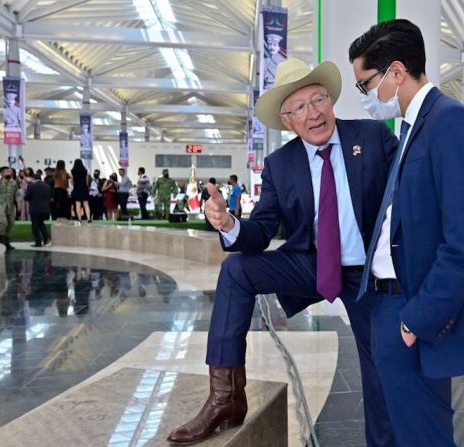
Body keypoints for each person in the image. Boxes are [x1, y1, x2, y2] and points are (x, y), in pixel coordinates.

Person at [167, 57, 399, 446]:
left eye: (319, 100)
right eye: (300, 108)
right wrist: (229, 224)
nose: (313, 113)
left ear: (332, 101)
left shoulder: (373, 138)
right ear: (287, 120)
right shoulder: (280, 164)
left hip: (369, 272)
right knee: (236, 271)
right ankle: (225, 397)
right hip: (313, 263)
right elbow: (260, 230)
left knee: (381, 372)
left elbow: (406, 199)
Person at [349, 19, 464, 446]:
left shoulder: (451, 124)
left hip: (411, 307)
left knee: (423, 434)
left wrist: (417, 319)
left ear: (396, 72)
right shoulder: (413, 127)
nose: (365, 98)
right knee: (402, 427)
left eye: (366, 85)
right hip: (387, 304)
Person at [0, 166, 21, 250]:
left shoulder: (13, 183)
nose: (9, 173)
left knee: (11, 223)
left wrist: (19, 204)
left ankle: (7, 242)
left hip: (10, 206)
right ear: (2, 173)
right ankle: (1, 242)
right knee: (3, 223)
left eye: (10, 172)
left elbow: (17, 194)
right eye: (7, 172)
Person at [24, 173, 52, 247]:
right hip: (45, 209)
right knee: (41, 224)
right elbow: (50, 197)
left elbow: (27, 197)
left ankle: (38, 242)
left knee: (35, 225)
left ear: (33, 179)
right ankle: (46, 239)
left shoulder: (31, 186)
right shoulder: (47, 186)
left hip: (35, 209)